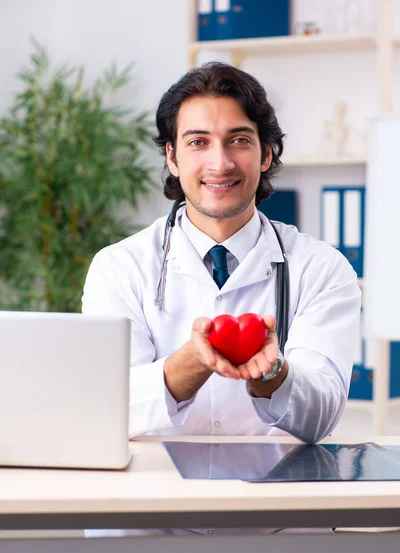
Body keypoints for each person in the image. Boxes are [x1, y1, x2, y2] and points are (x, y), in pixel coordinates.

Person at [81, 62, 361, 443]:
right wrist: (189, 365)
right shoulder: (117, 268)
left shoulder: (322, 269)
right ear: (172, 158)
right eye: (198, 142)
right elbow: (106, 408)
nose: (220, 163)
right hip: (155, 490)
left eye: (239, 140)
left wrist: (272, 375)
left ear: (266, 155)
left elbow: (321, 418)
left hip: (274, 492)